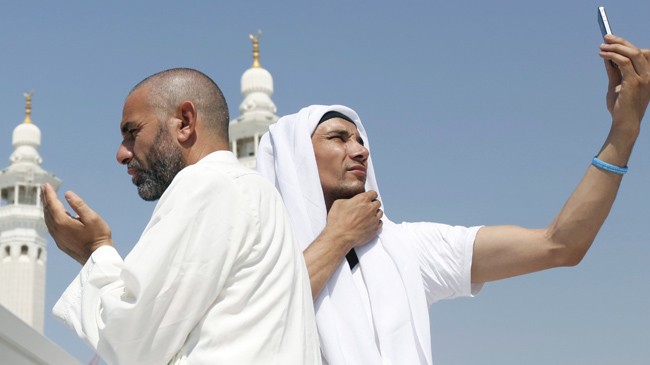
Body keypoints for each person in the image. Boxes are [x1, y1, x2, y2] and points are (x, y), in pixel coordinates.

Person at [256, 35, 650, 365]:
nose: (360, 150)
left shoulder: (405, 249)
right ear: (296, 159)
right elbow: (260, 320)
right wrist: (338, 236)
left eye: (360, 139)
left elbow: (560, 244)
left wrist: (625, 129)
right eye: (338, 138)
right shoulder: (257, 259)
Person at [41, 68, 321, 365]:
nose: (122, 154)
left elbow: (131, 342)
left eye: (133, 132)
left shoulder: (208, 184)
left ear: (185, 123)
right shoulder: (258, 192)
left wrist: (96, 249)